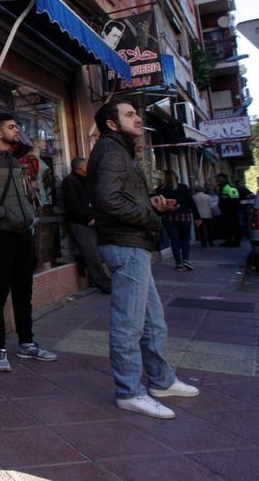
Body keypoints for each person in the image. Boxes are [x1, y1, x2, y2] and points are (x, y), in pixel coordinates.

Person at [88, 100, 199, 419]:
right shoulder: (110, 150)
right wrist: (150, 217)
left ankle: (162, 381)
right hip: (125, 244)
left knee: (153, 322)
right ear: (111, 124)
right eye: (129, 115)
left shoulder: (120, 149)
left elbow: (119, 196)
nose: (138, 119)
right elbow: (106, 200)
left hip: (133, 243)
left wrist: (152, 203)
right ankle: (129, 391)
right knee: (129, 323)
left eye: (137, 114)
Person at [0, 112, 57, 373]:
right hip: (2, 236)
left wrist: (29, 215)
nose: (17, 130)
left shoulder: (14, 159)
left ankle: (27, 343)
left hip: (23, 234)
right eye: (11, 126)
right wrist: (3, 213)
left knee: (23, 292)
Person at [61, 157, 112, 293]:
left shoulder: (88, 181)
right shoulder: (70, 182)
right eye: (86, 165)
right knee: (92, 254)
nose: (88, 167)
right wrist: (89, 218)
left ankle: (94, 279)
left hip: (93, 221)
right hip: (81, 223)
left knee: (97, 252)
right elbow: (74, 205)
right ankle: (103, 283)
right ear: (80, 168)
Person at [155, 170, 199, 271]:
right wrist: (197, 217)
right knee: (185, 239)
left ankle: (178, 263)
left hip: (169, 217)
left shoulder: (160, 189)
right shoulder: (183, 187)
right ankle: (186, 259)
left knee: (174, 240)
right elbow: (191, 202)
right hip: (184, 216)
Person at [217, 173, 240, 246]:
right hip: (225, 213)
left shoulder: (231, 188)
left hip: (231, 213)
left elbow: (235, 201)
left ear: (224, 179)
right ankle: (228, 242)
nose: (218, 180)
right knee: (226, 228)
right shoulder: (221, 188)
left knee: (233, 227)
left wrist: (231, 211)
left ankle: (236, 242)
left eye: (219, 178)